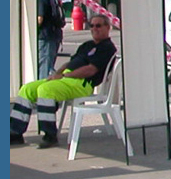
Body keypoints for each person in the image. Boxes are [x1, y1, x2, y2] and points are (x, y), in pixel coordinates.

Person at [11, 13, 117, 149]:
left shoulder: (107, 48)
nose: (94, 29)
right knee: (27, 89)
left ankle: (49, 134)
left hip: (82, 83)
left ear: (108, 27)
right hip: (66, 78)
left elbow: (91, 70)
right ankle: (15, 132)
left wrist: (64, 77)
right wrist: (58, 73)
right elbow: (70, 63)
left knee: (46, 90)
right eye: (91, 26)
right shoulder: (87, 45)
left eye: (98, 25)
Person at [37, 0, 65, 77]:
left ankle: (42, 90)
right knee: (47, 65)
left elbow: (40, 18)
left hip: (45, 36)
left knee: (44, 67)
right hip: (53, 35)